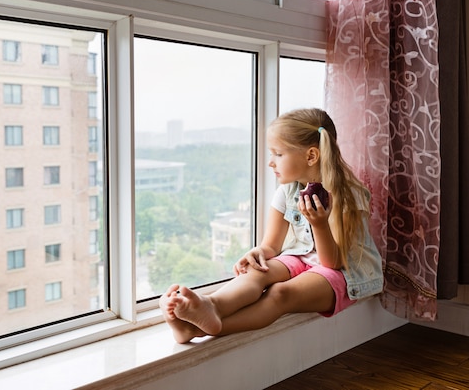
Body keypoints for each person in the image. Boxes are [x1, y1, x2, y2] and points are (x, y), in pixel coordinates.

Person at [159, 108, 383, 344]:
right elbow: (272, 246)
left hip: (346, 272)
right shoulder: (288, 191)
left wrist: (319, 224)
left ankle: (199, 329)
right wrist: (259, 252)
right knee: (257, 272)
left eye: (278, 154)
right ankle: (211, 305)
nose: (270, 162)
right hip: (301, 257)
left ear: (311, 156)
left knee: (280, 293)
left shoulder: (348, 195)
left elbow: (332, 262)